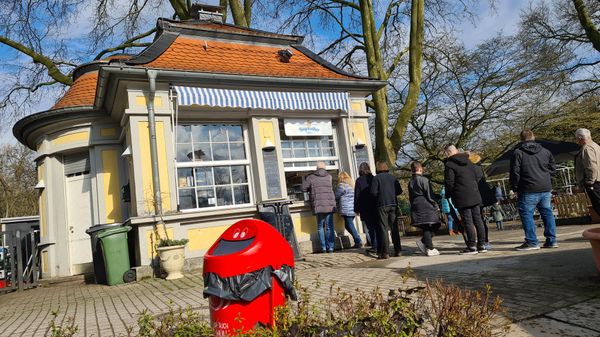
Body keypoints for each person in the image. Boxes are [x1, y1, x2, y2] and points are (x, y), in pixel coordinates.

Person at [509, 129, 557, 250]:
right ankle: (552, 240)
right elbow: (553, 168)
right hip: (545, 187)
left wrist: (515, 187)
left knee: (527, 214)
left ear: (521, 139)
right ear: (533, 137)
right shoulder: (546, 152)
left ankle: (532, 241)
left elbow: (515, 173)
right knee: (547, 213)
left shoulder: (518, 153)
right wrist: (546, 177)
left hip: (527, 188)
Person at [443, 144, 487, 255]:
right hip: (474, 193)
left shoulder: (449, 165)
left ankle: (471, 245)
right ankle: (481, 244)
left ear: (447, 152)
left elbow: (449, 182)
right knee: (478, 219)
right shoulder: (469, 161)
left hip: (461, 196)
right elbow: (476, 176)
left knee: (467, 220)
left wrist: (448, 194)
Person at [370, 161, 403, 259]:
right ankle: (398, 250)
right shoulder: (393, 177)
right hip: (393, 204)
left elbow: (373, 193)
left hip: (382, 205)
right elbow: (399, 191)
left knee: (383, 229)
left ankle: (385, 252)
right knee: (394, 228)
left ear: (378, 169)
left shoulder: (376, 178)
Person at [302, 162, 337, 253]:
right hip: (329, 205)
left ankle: (324, 248)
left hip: (318, 205)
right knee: (330, 227)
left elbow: (303, 188)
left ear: (316, 168)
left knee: (320, 227)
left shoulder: (311, 177)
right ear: (325, 168)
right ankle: (331, 248)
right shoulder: (329, 177)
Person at [408, 162, 441, 256]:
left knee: (426, 226)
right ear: (420, 169)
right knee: (432, 225)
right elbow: (429, 195)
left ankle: (424, 242)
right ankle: (429, 248)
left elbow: (410, 197)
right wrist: (435, 205)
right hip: (426, 204)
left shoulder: (411, 182)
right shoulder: (424, 180)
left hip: (416, 205)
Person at [469, 152, 496, 250]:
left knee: (477, 219)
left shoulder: (471, 168)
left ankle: (482, 241)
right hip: (483, 195)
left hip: (477, 195)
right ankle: (484, 241)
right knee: (480, 219)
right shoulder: (478, 166)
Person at [574, 128, 600, 217]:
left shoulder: (586, 148)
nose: (577, 141)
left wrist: (590, 181)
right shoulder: (596, 146)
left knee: (598, 204)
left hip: (595, 182)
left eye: (577, 139)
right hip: (598, 179)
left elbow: (591, 166)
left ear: (580, 138)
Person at [354, 162, 378, 253]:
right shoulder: (374, 178)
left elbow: (357, 195)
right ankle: (379, 244)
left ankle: (374, 245)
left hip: (365, 207)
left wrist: (356, 209)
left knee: (370, 228)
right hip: (375, 206)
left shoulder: (359, 180)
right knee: (377, 226)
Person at [336, 171, 363, 249]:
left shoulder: (341, 186)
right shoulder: (352, 186)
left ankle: (358, 241)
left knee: (350, 225)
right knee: (347, 225)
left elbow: (336, 196)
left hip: (346, 209)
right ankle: (357, 240)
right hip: (353, 209)